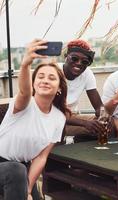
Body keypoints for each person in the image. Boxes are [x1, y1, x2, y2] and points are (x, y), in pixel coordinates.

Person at [0, 40, 68, 200]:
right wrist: (25, 65)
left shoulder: (59, 118)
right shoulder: (24, 103)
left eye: (51, 78)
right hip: (7, 167)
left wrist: (29, 191)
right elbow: (24, 92)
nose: (45, 80)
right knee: (16, 171)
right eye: (40, 77)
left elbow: (41, 157)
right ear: (34, 83)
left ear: (59, 88)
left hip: (22, 169)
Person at [62, 39, 103, 141]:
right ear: (66, 56)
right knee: (58, 128)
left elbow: (99, 107)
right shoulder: (54, 72)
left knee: (104, 126)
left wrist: (105, 118)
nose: (79, 63)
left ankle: (79, 143)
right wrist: (85, 124)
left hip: (73, 117)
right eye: (74, 59)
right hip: (52, 120)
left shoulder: (87, 74)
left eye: (85, 61)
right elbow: (55, 113)